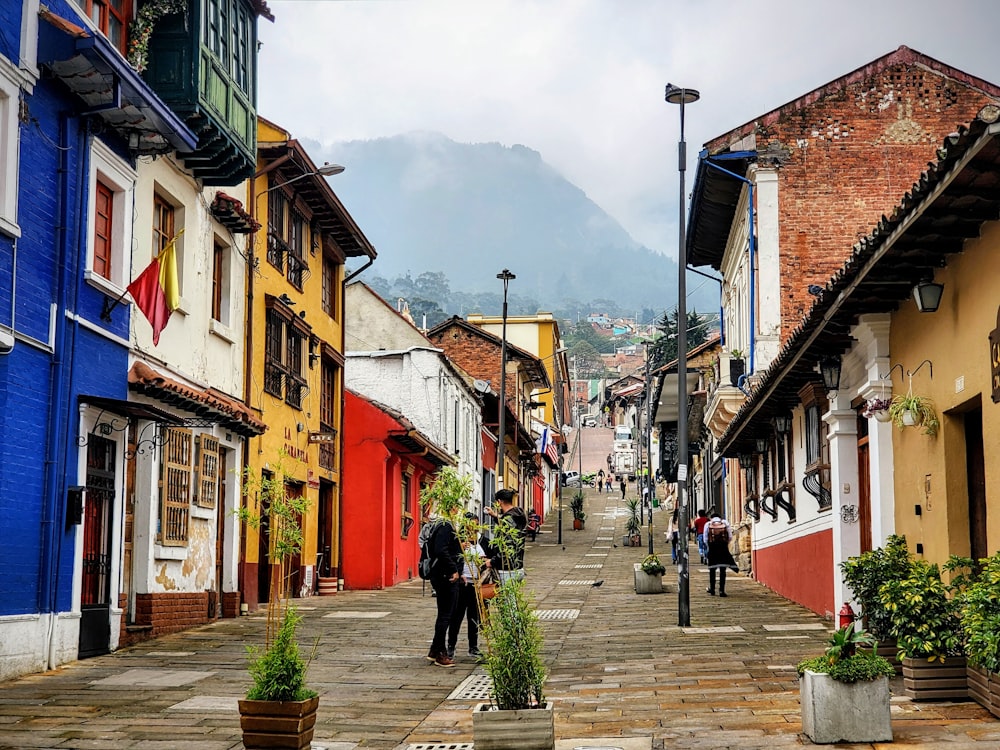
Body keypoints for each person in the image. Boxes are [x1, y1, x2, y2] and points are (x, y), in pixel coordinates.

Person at [425, 508, 463, 667]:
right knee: (446, 614)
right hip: (445, 576)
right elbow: (441, 550)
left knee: (446, 613)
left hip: (442, 575)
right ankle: (440, 652)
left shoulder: (443, 525)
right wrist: (453, 569)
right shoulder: (445, 525)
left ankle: (435, 649)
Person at [447, 514, 485, 660]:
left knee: (474, 617)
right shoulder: (457, 541)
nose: (473, 528)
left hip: (476, 583)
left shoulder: (482, 541)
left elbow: (486, 558)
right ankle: (451, 646)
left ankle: (473, 647)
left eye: (476, 525)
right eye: (470, 524)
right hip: (462, 584)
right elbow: (450, 557)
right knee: (456, 617)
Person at [482, 488, 527, 583]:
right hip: (518, 567)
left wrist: (492, 561)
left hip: (507, 570)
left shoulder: (507, 520)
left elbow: (507, 547)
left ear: (499, 502)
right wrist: (494, 515)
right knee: (513, 597)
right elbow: (510, 524)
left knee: (507, 598)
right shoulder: (519, 515)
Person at [703, 508, 738, 597]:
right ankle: (722, 590)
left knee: (712, 569)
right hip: (723, 548)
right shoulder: (725, 523)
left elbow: (705, 539)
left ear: (711, 518)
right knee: (723, 570)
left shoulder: (708, 524)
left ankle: (712, 589)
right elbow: (730, 536)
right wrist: (725, 544)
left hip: (713, 548)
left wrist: (709, 546)